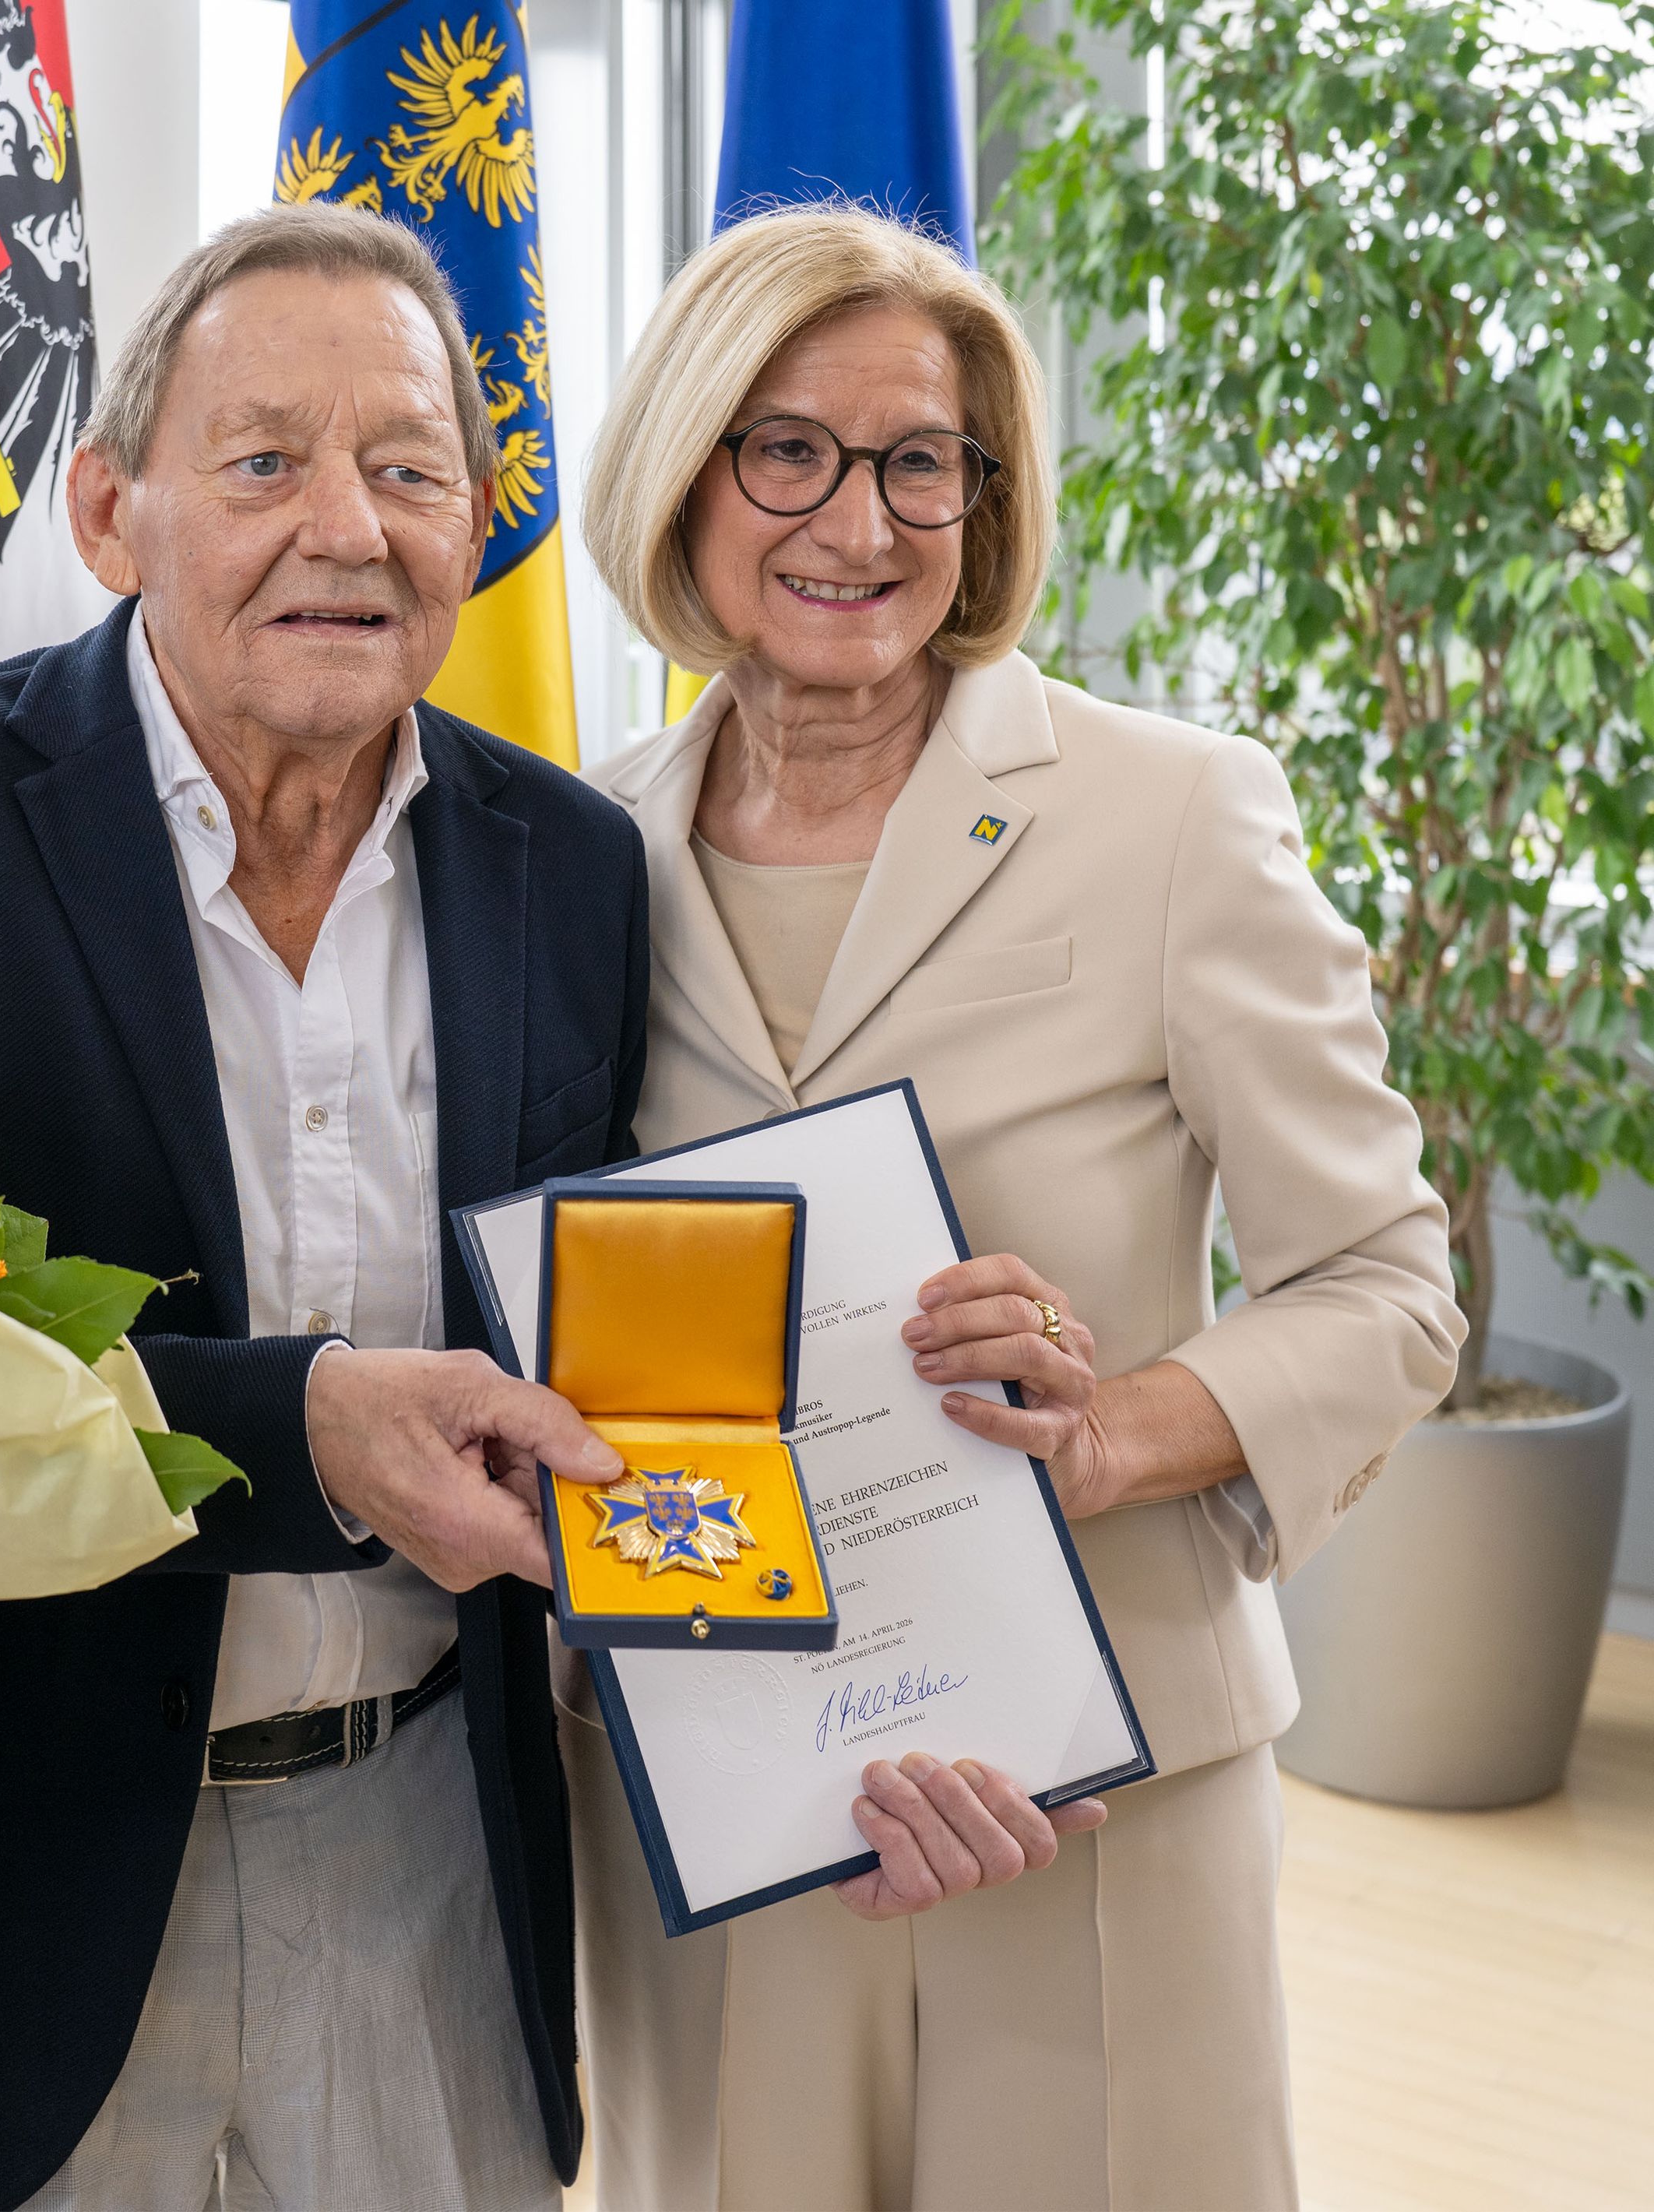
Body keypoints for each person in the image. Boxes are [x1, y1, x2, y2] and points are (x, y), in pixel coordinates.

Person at [0, 202, 1058, 2212]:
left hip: (438, 1854)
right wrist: (311, 1430)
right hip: (25, 1873)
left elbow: (656, 1353)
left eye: (408, 468)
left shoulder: (572, 857)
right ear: (110, 506)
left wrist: (873, 1701)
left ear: (478, 526)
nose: (347, 527)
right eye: (264, 460)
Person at [566, 203, 1466, 2210]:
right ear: (686, 471)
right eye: (786, 449)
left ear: (985, 499)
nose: (859, 526)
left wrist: (1123, 1427)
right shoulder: (574, 850)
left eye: (922, 464)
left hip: (1098, 1778)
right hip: (723, 1783)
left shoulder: (1173, 814)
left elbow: (1390, 1283)